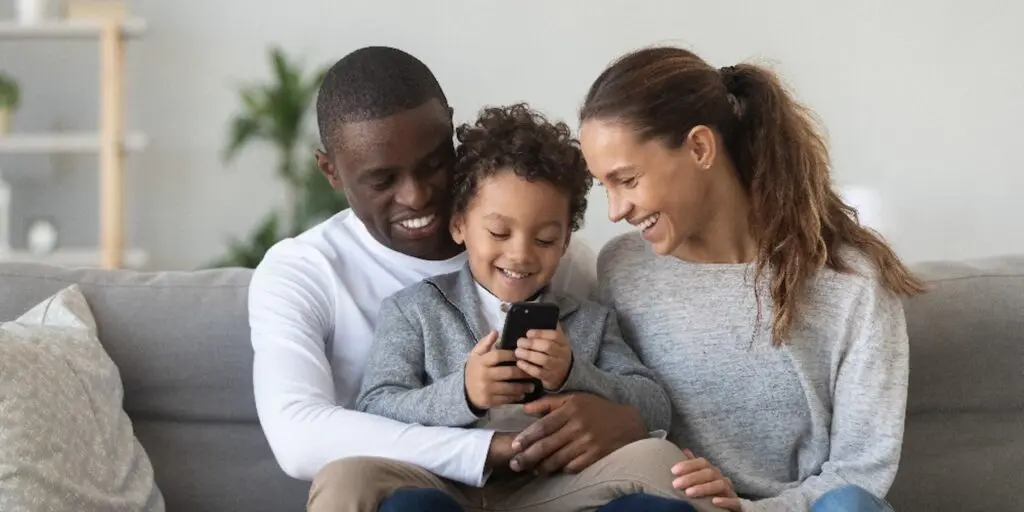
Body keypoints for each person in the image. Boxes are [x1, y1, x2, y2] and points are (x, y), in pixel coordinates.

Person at [246, 46, 666, 511]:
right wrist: (473, 418)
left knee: (661, 462)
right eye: (383, 181)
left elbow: (644, 401)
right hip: (435, 485)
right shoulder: (318, 275)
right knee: (349, 478)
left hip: (553, 486)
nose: (416, 196)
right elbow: (302, 436)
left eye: (432, 164)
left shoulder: (569, 274)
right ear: (331, 170)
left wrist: (609, 409)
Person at [566, 45, 925, 512]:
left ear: (699, 148)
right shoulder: (622, 269)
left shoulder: (851, 282)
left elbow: (861, 470)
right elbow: (636, 414)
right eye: (605, 186)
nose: (615, 211)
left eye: (628, 180)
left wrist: (751, 510)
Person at [341, 103, 721, 512]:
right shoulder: (413, 309)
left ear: (565, 242)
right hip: (450, 486)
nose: (520, 254)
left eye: (544, 240)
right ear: (458, 224)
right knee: (376, 489)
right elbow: (375, 407)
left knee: (662, 472)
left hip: (557, 491)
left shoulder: (590, 320)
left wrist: (575, 372)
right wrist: (464, 393)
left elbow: (653, 404)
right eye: (498, 232)